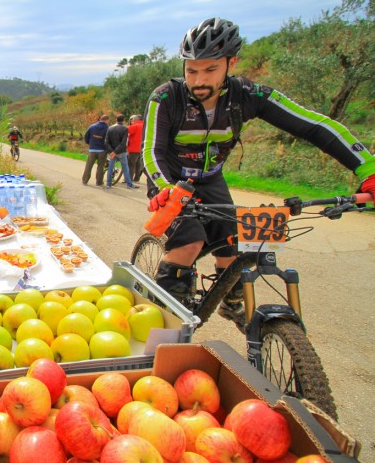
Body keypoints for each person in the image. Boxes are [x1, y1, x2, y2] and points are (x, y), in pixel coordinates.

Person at [142, 17, 375, 329]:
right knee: (190, 241)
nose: (198, 80)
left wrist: (368, 168)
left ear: (231, 63)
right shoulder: (166, 97)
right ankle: (163, 330)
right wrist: (164, 187)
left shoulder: (249, 95)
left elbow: (315, 125)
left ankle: (232, 301)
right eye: (192, 69)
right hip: (171, 182)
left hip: (211, 180)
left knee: (234, 247)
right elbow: (151, 150)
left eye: (210, 69)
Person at [105, 114, 139, 190]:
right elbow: (123, 143)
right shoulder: (124, 129)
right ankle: (129, 184)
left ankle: (108, 184)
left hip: (112, 152)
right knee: (125, 168)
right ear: (123, 120)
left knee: (110, 167)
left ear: (116, 120)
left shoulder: (110, 128)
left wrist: (112, 151)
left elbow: (106, 141)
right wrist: (116, 151)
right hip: (121, 152)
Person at [81, 114, 110, 186]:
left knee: (89, 165)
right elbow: (109, 139)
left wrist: (89, 143)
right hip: (102, 150)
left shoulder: (92, 126)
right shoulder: (108, 128)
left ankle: (85, 180)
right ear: (107, 120)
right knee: (100, 166)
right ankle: (99, 182)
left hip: (92, 149)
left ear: (100, 119)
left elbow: (86, 136)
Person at [127, 114, 145, 183]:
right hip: (142, 149)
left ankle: (129, 179)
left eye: (132, 120)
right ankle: (137, 179)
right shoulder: (146, 126)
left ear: (136, 120)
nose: (132, 121)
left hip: (134, 148)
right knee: (138, 165)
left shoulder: (136, 126)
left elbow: (126, 130)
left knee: (131, 164)